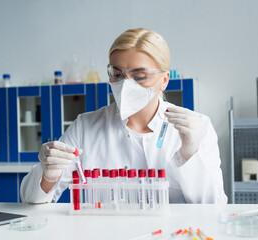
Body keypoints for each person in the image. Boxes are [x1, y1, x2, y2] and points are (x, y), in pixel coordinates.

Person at [20, 28, 227, 204]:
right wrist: (48, 175)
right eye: (117, 74)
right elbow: (31, 201)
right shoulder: (86, 127)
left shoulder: (197, 128)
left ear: (164, 80)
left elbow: (214, 206)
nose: (126, 85)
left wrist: (190, 154)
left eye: (139, 76)